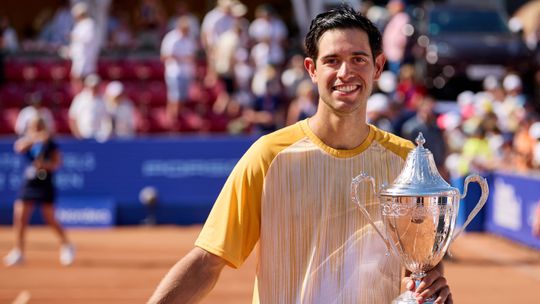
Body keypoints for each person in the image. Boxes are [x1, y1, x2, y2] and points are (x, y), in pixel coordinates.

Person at [148, 6, 453, 304]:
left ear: (377, 67)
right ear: (312, 69)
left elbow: (421, 265)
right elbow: (207, 261)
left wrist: (428, 290)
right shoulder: (269, 156)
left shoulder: (407, 162)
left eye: (358, 59)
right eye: (332, 60)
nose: (345, 72)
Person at [3, 116, 75, 267]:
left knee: (50, 218)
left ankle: (67, 245)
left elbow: (57, 163)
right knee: (20, 216)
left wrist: (45, 165)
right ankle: (19, 252)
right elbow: (19, 147)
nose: (36, 129)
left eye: (39, 127)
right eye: (33, 127)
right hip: (29, 183)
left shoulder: (51, 145)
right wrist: (35, 139)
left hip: (45, 183)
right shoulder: (29, 142)